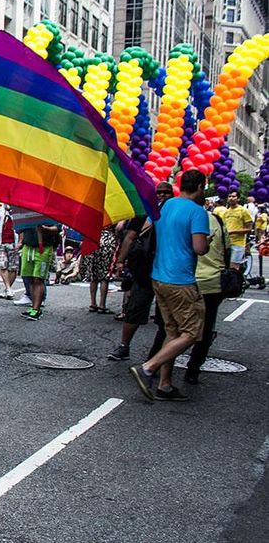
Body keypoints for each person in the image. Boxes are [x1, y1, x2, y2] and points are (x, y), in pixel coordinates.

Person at [130, 170, 210, 402]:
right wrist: (207, 242)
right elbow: (199, 248)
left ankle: (165, 385)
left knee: (172, 331)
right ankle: (148, 368)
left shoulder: (166, 206)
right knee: (193, 332)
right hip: (181, 280)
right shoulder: (197, 213)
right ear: (199, 187)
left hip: (159, 276)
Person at [107, 182, 174, 362]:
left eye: (166, 192)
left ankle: (158, 355)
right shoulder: (145, 213)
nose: (162, 196)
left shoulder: (174, 214)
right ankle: (124, 346)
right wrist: (120, 261)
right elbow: (129, 237)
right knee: (135, 308)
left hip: (168, 272)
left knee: (165, 316)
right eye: (159, 192)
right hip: (145, 270)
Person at [185, 209, 228, 385]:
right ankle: (193, 370)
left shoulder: (180, 216)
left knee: (172, 328)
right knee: (205, 328)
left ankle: (156, 365)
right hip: (212, 281)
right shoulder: (217, 220)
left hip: (185, 280)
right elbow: (227, 248)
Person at [19, 224, 59, 320]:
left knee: (38, 278)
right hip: (28, 247)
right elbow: (19, 227)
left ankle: (36, 309)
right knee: (30, 278)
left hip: (43, 248)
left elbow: (57, 228)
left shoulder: (50, 212)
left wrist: (45, 229)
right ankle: (33, 307)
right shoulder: (27, 213)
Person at [82, 226, 118, 314]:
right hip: (107, 240)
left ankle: (93, 303)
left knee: (93, 274)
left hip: (93, 238)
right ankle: (102, 305)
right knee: (104, 275)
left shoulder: (94, 212)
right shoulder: (112, 214)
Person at [216, 190, 253, 269]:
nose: (231, 198)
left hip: (238, 243)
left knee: (234, 267)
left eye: (233, 196)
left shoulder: (243, 211)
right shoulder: (226, 212)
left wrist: (233, 231)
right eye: (229, 196)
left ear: (238, 199)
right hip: (226, 243)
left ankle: (236, 281)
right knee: (224, 266)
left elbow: (249, 228)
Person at [0, 203, 19, 298]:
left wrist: (20, 242)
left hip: (14, 243)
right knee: (3, 266)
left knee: (13, 268)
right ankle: (8, 288)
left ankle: (7, 289)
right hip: (0, 242)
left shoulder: (17, 212)